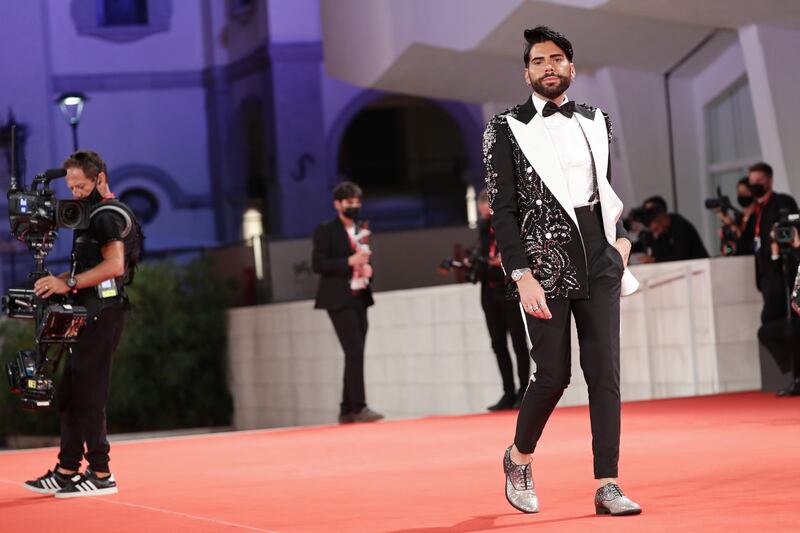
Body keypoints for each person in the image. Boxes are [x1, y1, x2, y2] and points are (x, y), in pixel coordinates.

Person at [484, 26, 641, 516]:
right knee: (552, 374)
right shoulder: (504, 127)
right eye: (538, 61)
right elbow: (502, 209)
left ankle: (608, 483)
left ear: (571, 68)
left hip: (599, 254)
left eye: (556, 59)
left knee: (604, 373)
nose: (547, 66)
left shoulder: (597, 119)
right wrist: (519, 273)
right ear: (526, 72)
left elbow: (604, 187)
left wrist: (620, 243)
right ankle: (518, 457)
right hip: (543, 261)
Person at [24, 150, 142, 498]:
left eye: (81, 186)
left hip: (103, 314)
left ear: (100, 179)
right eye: (71, 187)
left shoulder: (106, 215)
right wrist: (59, 279)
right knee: (71, 393)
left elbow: (114, 266)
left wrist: (68, 284)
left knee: (90, 395)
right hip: (88, 312)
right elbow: (90, 268)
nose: (75, 193)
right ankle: (66, 469)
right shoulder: (91, 214)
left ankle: (102, 473)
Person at [312, 181, 383, 424]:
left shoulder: (361, 229)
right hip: (337, 298)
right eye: (349, 202)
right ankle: (360, 406)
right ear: (337, 204)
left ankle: (346, 408)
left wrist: (368, 270)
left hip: (360, 296)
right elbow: (318, 264)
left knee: (355, 351)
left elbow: (363, 259)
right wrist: (349, 262)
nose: (354, 206)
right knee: (354, 350)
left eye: (357, 202)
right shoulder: (326, 230)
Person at [473, 190, 530, 411]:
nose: (484, 215)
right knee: (498, 344)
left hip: (509, 288)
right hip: (488, 290)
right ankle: (508, 391)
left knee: (518, 342)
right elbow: (480, 254)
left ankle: (524, 390)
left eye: (486, 210)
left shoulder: (508, 226)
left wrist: (502, 261)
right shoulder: (483, 231)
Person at [738, 162, 799, 324]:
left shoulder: (782, 202)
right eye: (752, 181)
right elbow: (743, 244)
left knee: (774, 324)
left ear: (769, 181)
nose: (755, 185)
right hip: (766, 278)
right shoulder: (756, 211)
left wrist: (780, 229)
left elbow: (795, 225)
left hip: (785, 275)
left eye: (759, 180)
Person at [636, 196, 708, 263]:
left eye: (656, 229)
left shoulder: (681, 227)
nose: (656, 232)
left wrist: (654, 260)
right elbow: (650, 248)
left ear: (662, 217)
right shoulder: (660, 233)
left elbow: (681, 256)